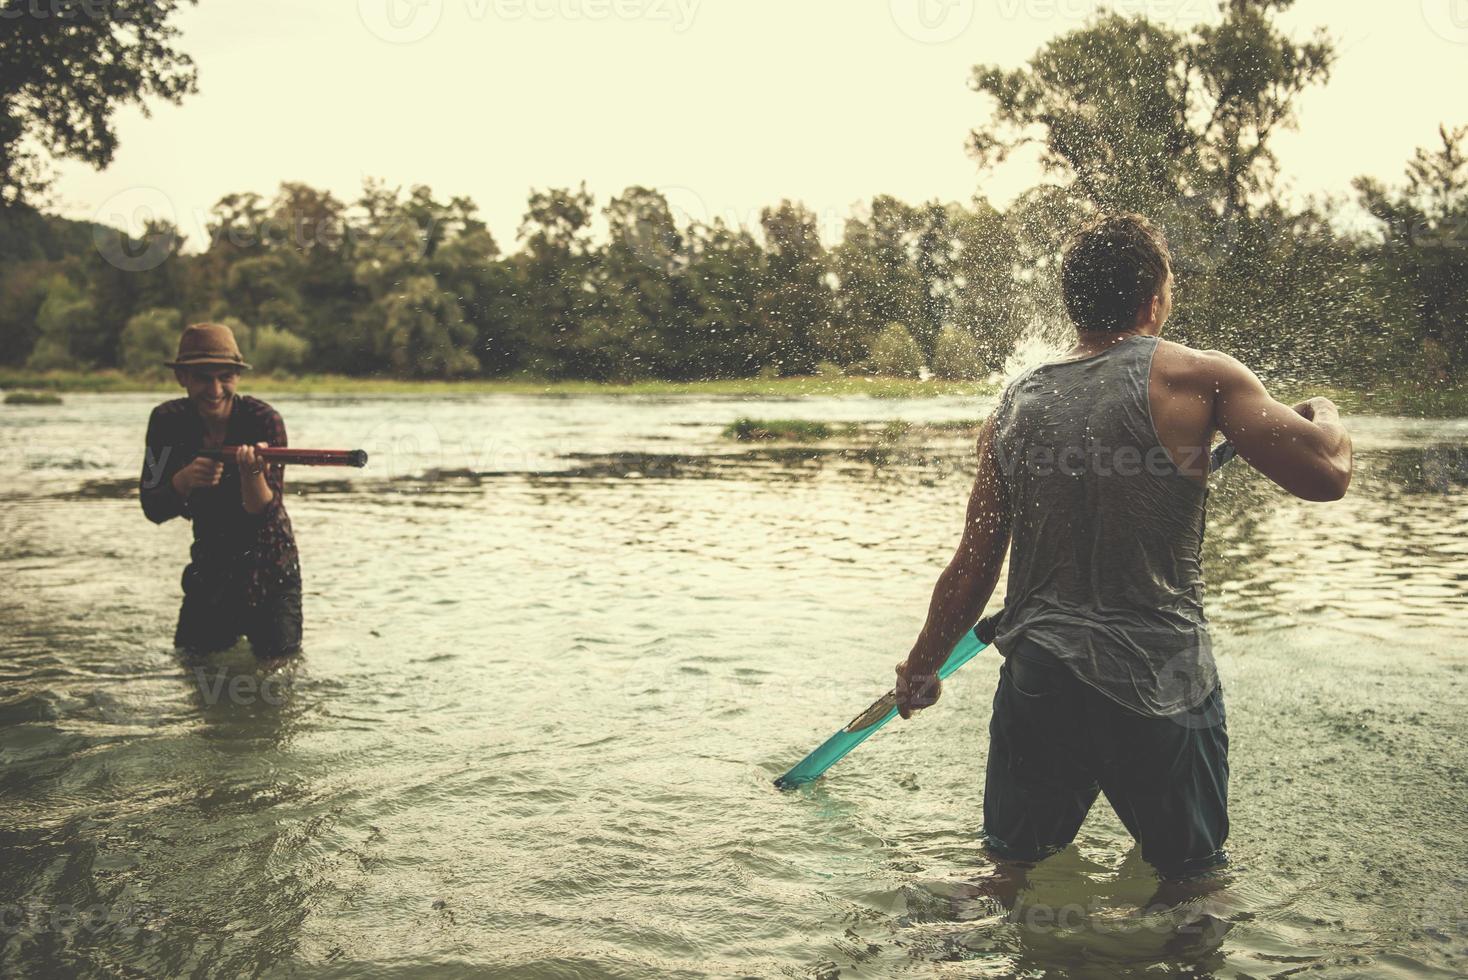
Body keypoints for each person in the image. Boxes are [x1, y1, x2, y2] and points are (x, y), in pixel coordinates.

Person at [893, 213, 1352, 880]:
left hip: (1041, 680)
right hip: (1162, 680)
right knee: (1194, 888)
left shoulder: (1013, 406)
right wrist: (1327, 411)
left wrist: (921, 665)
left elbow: (973, 565)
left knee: (1008, 881)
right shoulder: (1197, 380)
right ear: (1153, 299)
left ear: (1075, 304)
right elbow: (1328, 473)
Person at [140, 322, 302, 666]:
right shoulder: (165, 423)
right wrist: (183, 480)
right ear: (182, 377)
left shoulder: (265, 422)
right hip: (210, 567)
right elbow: (152, 505)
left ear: (237, 378)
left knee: (278, 680)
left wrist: (252, 473)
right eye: (202, 378)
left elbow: (265, 510)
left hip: (272, 569)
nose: (215, 389)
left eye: (225, 377)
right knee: (192, 670)